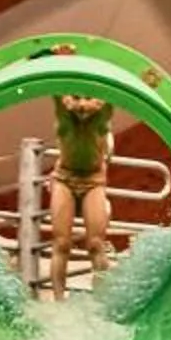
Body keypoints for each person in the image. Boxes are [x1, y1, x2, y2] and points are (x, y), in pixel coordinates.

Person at [49, 93, 114, 297]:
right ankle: (58, 300)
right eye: (78, 98)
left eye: (89, 98)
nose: (83, 104)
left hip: (94, 180)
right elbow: (56, 89)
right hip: (64, 179)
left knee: (96, 244)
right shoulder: (64, 116)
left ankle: (100, 302)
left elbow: (111, 90)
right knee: (62, 243)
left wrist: (96, 102)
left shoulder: (102, 117)